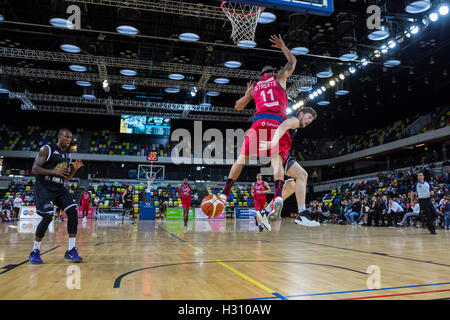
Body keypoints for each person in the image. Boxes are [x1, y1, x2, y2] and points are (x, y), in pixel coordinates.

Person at [218, 34, 297, 223]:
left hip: (259, 122)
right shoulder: (279, 77)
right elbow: (293, 61)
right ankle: (278, 194)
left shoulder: (256, 88)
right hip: (277, 122)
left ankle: (224, 193)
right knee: (277, 160)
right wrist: (283, 46)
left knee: (242, 158)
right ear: (273, 72)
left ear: (261, 75)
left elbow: (237, 106)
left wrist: (247, 94)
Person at [29, 128, 84, 264]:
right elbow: (35, 169)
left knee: (72, 212)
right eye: (66, 137)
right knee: (48, 216)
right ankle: (35, 251)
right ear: (60, 136)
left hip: (59, 187)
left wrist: (74, 170)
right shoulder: (47, 149)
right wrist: (54, 171)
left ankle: (71, 250)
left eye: (70, 138)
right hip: (44, 186)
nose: (69, 140)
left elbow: (66, 178)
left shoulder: (67, 155)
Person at [259, 107, 319, 227]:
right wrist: (273, 142)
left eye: (311, 121)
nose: (309, 122)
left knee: (291, 187)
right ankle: (302, 213)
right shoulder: (295, 120)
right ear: (301, 114)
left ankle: (265, 212)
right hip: (279, 152)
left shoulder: (294, 123)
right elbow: (283, 126)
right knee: (302, 175)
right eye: (308, 118)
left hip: (282, 153)